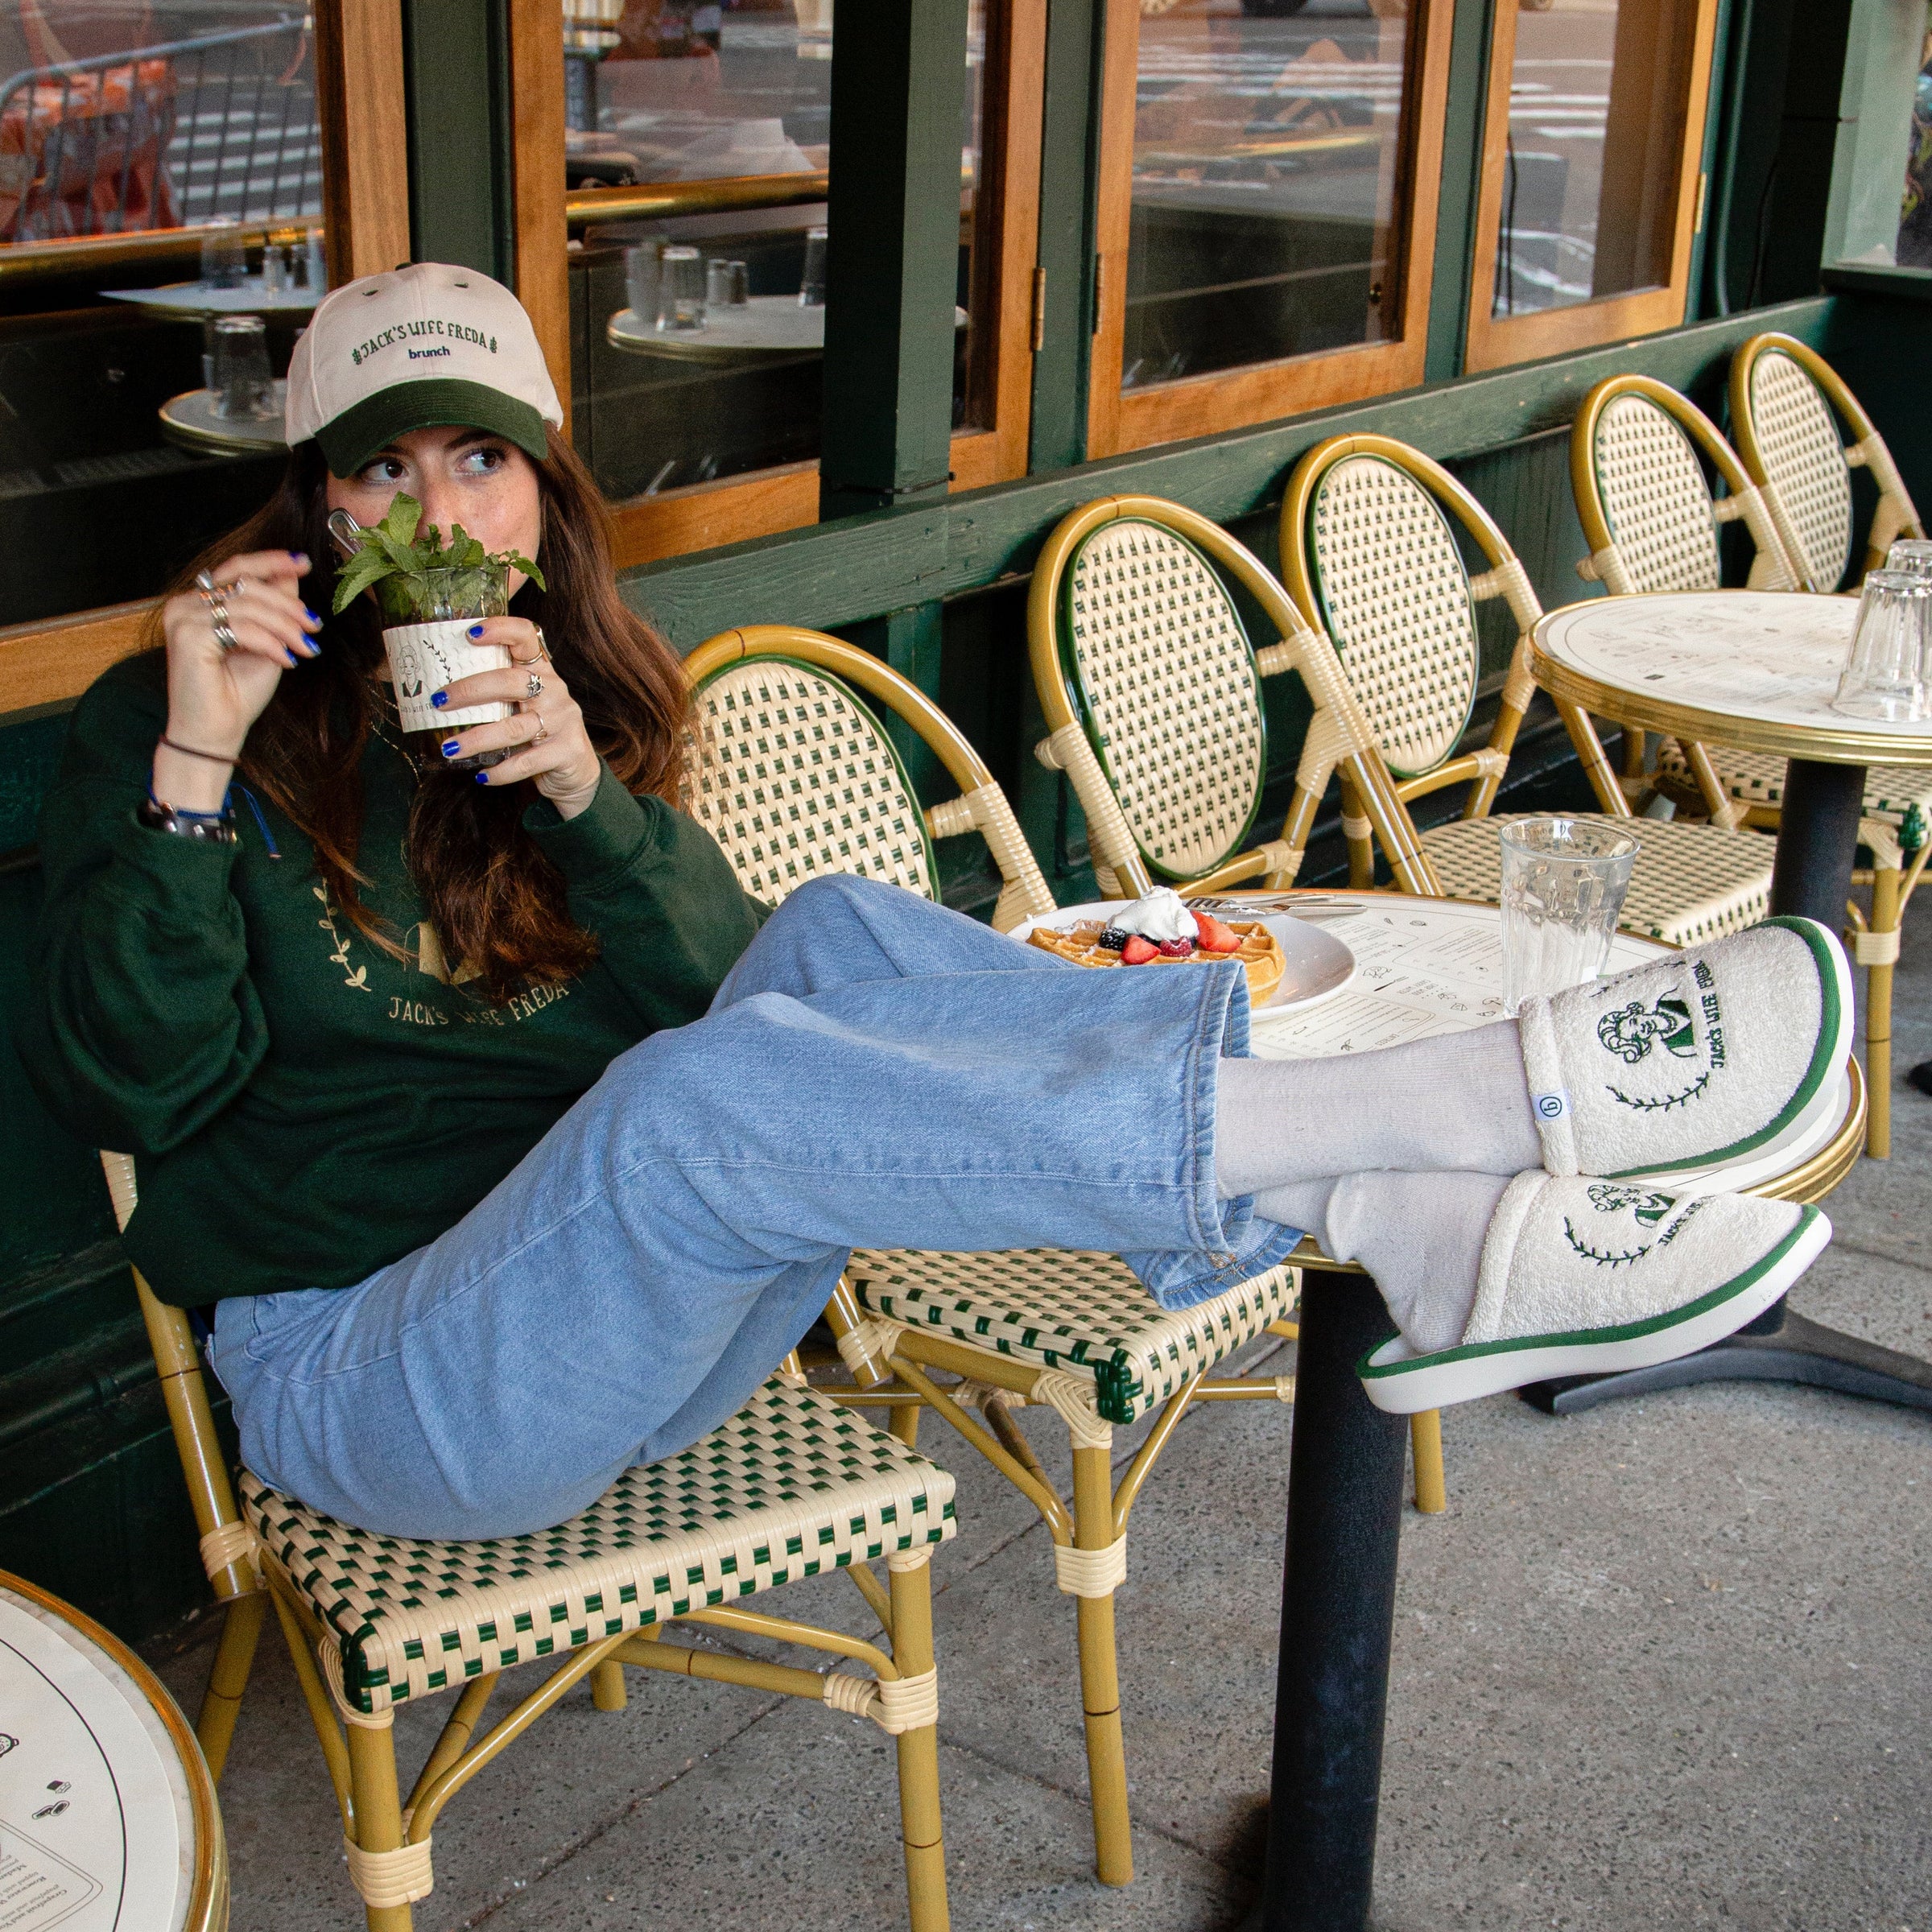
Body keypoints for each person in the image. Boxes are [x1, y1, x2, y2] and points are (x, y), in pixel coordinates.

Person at [20, 264, 1844, 1545]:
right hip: (376, 1375)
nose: (438, 506)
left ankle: (1397, 1200)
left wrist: (587, 796)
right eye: (384, 468)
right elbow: (137, 1095)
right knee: (693, 1106)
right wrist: (193, 771)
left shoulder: (573, 702)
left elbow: (752, 997)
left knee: (825, 937)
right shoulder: (186, 718)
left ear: (539, 492)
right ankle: (1450, 1125)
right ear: (323, 510)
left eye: (478, 457)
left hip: (631, 1337)